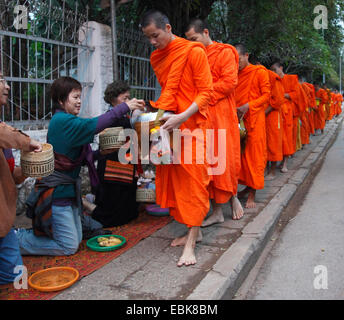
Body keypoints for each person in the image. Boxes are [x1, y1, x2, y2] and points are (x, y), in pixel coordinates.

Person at [16, 76, 145, 256]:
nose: (79, 102)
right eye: (75, 97)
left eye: (79, 97)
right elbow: (93, 125)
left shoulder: (67, 119)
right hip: (57, 192)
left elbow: (81, 158)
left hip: (69, 191)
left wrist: (101, 154)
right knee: (69, 246)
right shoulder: (62, 121)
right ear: (61, 100)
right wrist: (124, 107)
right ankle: (16, 239)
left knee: (76, 239)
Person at [141, 10, 214, 267]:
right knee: (176, 183)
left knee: (194, 183)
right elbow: (169, 91)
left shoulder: (193, 52)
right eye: (148, 37)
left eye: (155, 35)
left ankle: (192, 244)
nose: (153, 42)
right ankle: (195, 230)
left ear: (168, 28)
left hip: (193, 125)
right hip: (171, 126)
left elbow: (206, 92)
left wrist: (183, 116)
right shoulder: (157, 57)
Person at [184, 18, 244, 224]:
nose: (194, 44)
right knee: (209, 162)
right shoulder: (194, 56)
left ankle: (233, 197)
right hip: (202, 114)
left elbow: (228, 83)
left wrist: (204, 93)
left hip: (222, 114)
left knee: (225, 158)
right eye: (190, 41)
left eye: (195, 39)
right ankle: (217, 212)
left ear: (206, 33)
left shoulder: (225, 52)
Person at [0, 71, 43, 284]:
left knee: (15, 276)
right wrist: (28, 142)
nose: (7, 86)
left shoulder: (4, 130)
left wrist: (31, 167)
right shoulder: (5, 132)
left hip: (4, 217)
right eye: (0, 80)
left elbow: (11, 176)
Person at [83, 80, 140, 227]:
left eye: (129, 97)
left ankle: (92, 201)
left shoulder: (126, 117)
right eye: (124, 98)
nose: (128, 101)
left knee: (131, 212)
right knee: (111, 216)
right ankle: (86, 204)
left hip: (126, 167)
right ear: (114, 98)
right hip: (112, 171)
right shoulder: (110, 118)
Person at [234, 44, 271, 209]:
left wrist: (248, 106)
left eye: (239, 59)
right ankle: (247, 186)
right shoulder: (235, 75)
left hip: (255, 120)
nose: (237, 63)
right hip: (239, 121)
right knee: (241, 157)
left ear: (246, 55)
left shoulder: (259, 72)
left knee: (255, 157)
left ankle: (252, 194)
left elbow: (266, 96)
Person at [271, 62, 300, 172]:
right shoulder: (273, 79)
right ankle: (277, 160)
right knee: (277, 137)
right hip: (276, 111)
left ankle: (285, 163)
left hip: (287, 112)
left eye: (275, 69)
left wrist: (282, 94)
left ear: (281, 68)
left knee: (287, 137)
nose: (274, 72)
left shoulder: (291, 78)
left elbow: (296, 94)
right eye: (272, 71)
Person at [264, 69, 284, 180]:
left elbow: (278, 100)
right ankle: (266, 169)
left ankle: (272, 171)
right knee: (264, 143)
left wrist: (264, 112)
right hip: (263, 115)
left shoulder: (274, 78)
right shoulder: (262, 76)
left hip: (272, 115)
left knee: (273, 143)